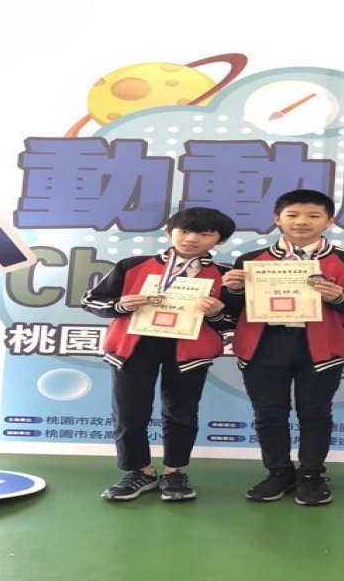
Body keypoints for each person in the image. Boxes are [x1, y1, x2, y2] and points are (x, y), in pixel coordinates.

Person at [221, 190, 344, 506]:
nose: (302, 222)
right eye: (292, 215)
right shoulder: (251, 260)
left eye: (313, 215)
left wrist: (338, 297)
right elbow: (234, 309)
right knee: (268, 413)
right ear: (277, 219)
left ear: (329, 221)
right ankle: (278, 472)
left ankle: (311, 474)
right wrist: (233, 290)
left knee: (315, 412)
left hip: (322, 348)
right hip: (263, 346)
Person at [82, 207, 238, 502]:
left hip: (189, 352)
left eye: (204, 234)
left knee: (181, 412)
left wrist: (217, 313)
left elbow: (234, 321)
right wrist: (120, 305)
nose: (191, 239)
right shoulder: (132, 265)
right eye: (183, 231)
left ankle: (174, 471)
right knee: (129, 412)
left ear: (220, 240)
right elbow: (91, 301)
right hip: (134, 348)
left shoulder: (225, 275)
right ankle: (139, 471)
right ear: (169, 232)